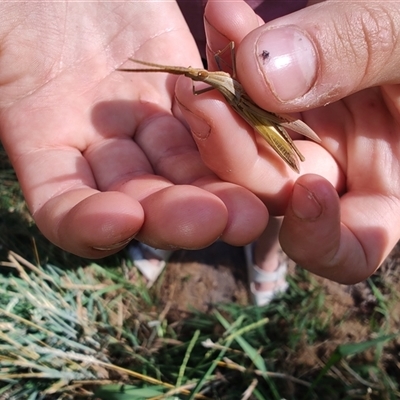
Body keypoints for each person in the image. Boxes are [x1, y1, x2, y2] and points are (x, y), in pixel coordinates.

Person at [0, 0, 399, 296]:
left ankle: (265, 252)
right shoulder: (205, 77)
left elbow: (229, 80)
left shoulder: (219, 75)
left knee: (277, 177)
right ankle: (168, 231)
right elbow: (213, 78)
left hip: (286, 39)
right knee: (204, 148)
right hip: (177, 26)